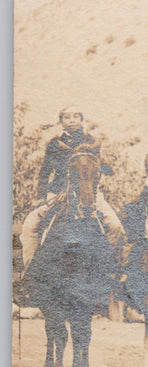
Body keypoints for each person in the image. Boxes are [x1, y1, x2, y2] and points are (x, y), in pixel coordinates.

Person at [21, 106, 123, 269]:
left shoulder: (92, 141)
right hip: (58, 192)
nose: (72, 120)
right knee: (30, 227)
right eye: (67, 117)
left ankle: (113, 269)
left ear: (81, 119)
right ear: (61, 121)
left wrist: (103, 171)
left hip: (89, 192)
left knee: (115, 225)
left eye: (76, 116)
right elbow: (45, 171)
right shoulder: (54, 144)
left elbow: (98, 164)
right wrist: (41, 197)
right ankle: (29, 271)